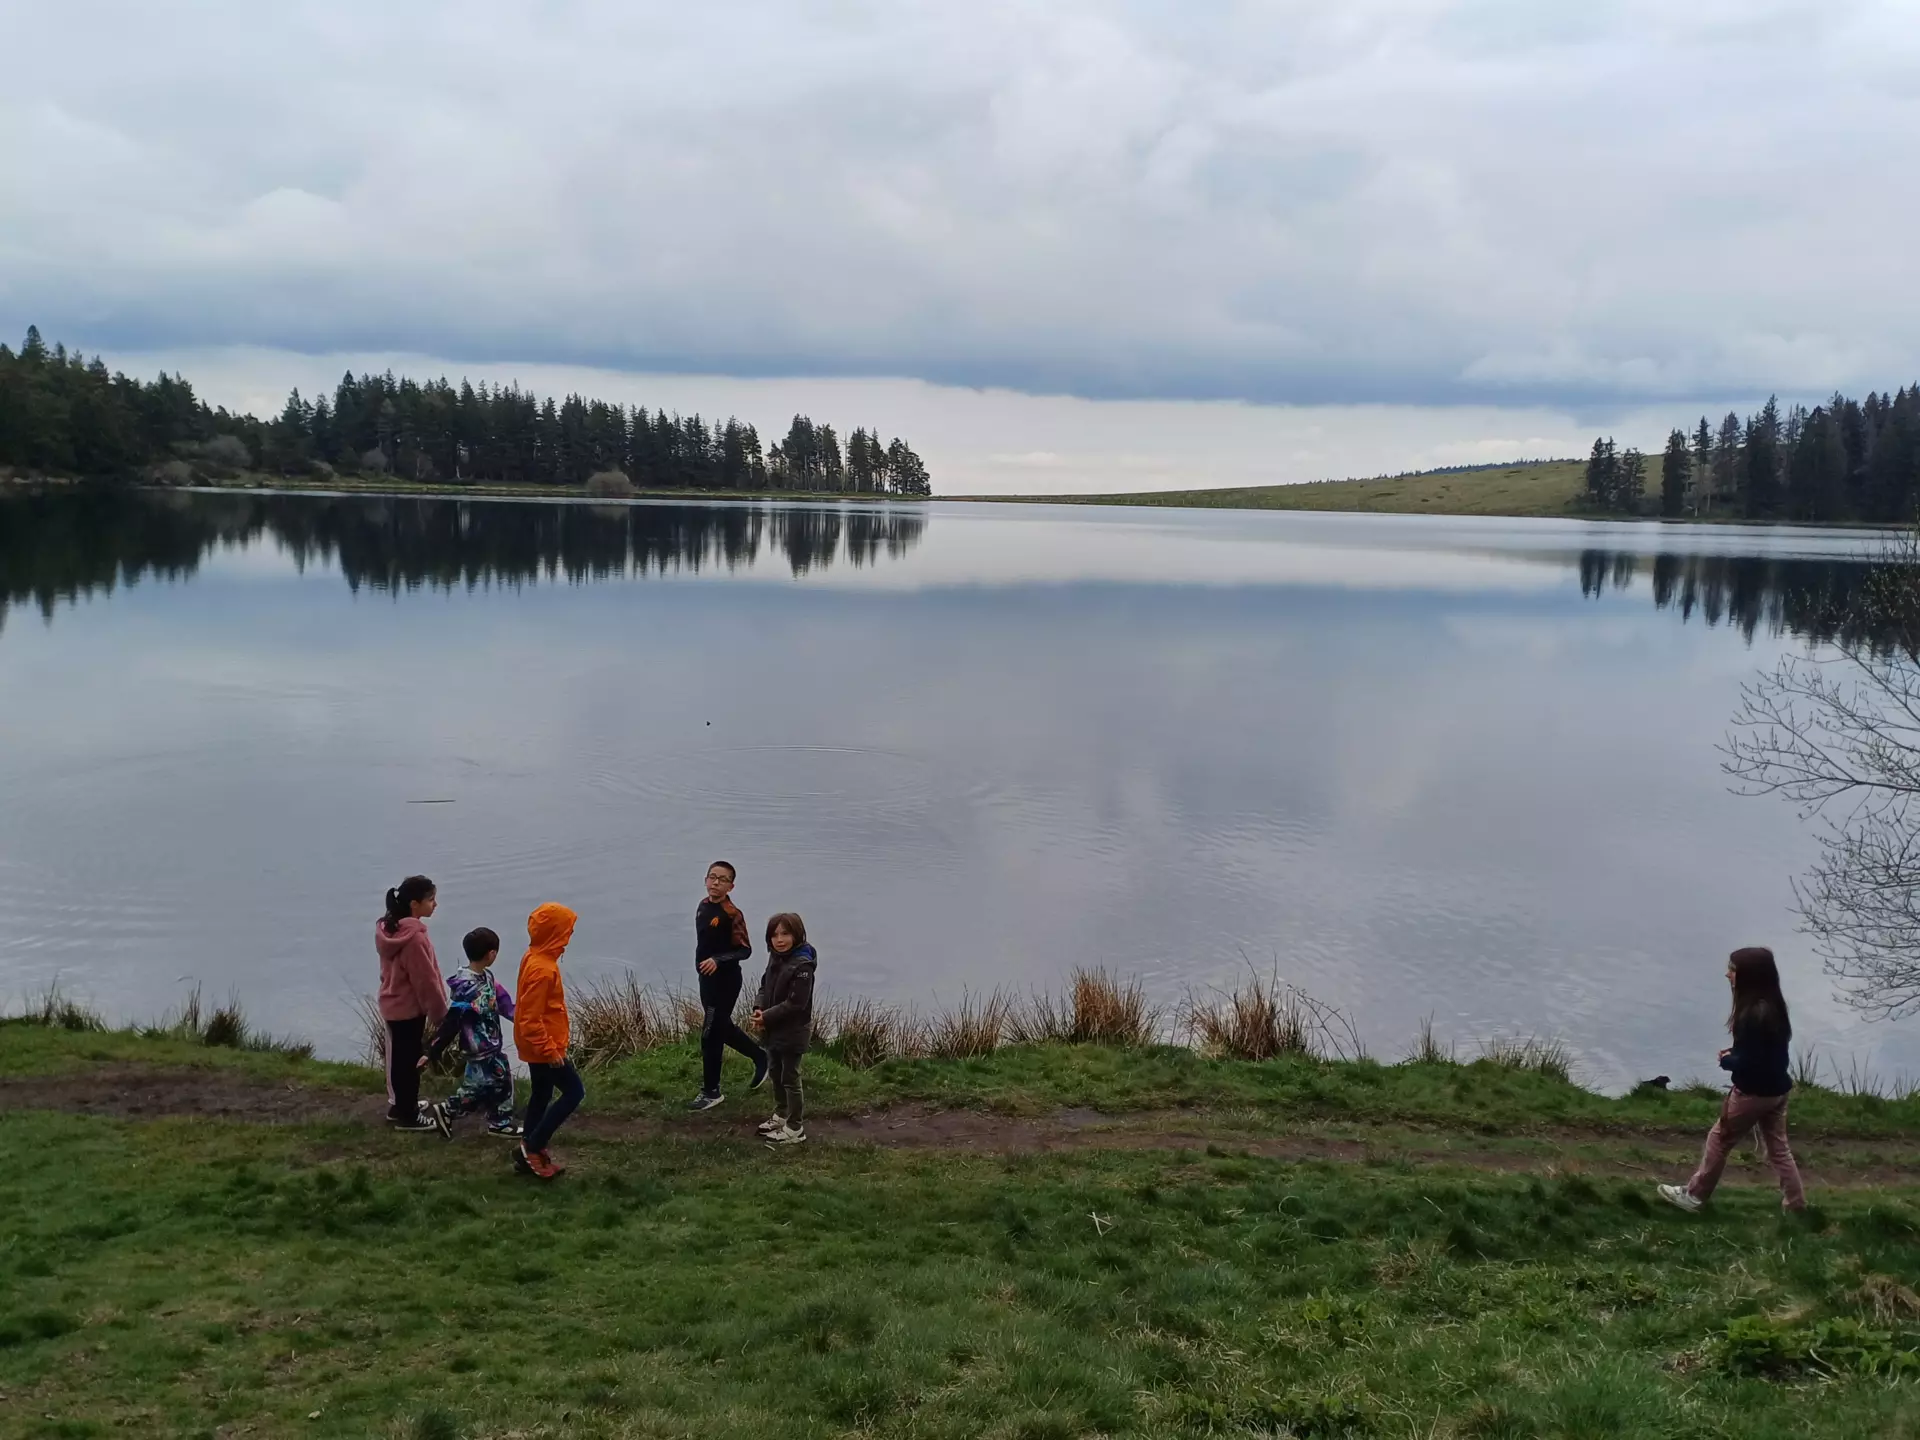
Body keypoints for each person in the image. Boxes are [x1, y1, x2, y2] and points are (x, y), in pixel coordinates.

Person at [1658, 946, 1806, 1214]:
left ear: (1748, 976)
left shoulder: (1751, 1015)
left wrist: (1727, 1061)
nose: (1727, 975)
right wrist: (1737, 1052)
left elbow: (1751, 1062)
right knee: (1779, 1149)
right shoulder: (1773, 1007)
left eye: (1733, 970)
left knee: (1719, 1140)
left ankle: (1693, 1197)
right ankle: (1795, 1205)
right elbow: (1765, 1052)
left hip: (1752, 1094)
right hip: (1778, 1091)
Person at [420, 926, 520, 1139]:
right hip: (478, 1047)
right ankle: (493, 1121)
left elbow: (502, 1002)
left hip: (490, 1045)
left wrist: (522, 1019)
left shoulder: (487, 978)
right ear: (491, 954)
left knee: (485, 1085)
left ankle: (486, 1119)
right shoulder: (466, 987)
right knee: (492, 1084)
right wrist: (431, 1051)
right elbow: (452, 1021)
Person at [686, 861, 769, 1112]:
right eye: (712, 877)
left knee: (710, 1033)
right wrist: (704, 964)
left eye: (722, 879)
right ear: (705, 880)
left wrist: (717, 960)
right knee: (722, 1027)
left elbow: (745, 950)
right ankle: (761, 1057)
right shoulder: (702, 907)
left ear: (731, 885)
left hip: (726, 982)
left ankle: (711, 1092)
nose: (716, 882)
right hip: (706, 979)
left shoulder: (732, 914)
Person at [513, 902, 585, 1180]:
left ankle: (528, 1147)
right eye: (567, 930)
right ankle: (533, 1146)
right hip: (543, 1046)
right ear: (556, 932)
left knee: (541, 1093)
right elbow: (531, 1019)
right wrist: (551, 1051)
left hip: (534, 1045)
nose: (570, 935)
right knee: (574, 1092)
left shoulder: (533, 956)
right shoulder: (543, 969)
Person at [374, 875, 449, 1131]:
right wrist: (441, 1015)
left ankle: (402, 1106)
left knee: (402, 1061)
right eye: (431, 900)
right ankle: (408, 1116)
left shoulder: (391, 929)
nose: (435, 905)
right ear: (415, 904)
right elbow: (425, 980)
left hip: (394, 1003)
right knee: (408, 1064)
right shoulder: (414, 939)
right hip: (407, 1008)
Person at [752, 912, 817, 1147]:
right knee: (775, 1073)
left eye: (785, 934)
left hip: (793, 1031)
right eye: (774, 935)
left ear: (797, 935)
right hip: (771, 1029)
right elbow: (763, 983)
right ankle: (781, 1115)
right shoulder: (776, 958)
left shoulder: (803, 966)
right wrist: (759, 1007)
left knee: (790, 1078)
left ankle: (795, 1127)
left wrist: (765, 1017)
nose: (779, 940)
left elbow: (796, 1004)